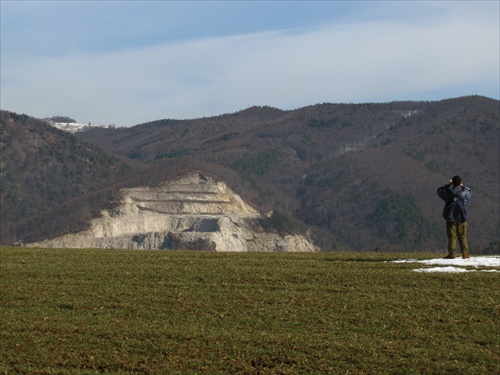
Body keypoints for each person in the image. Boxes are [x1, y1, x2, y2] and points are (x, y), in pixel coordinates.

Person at [437, 175, 472, 259]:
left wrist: (448, 185)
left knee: (452, 235)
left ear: (452, 182)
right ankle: (465, 253)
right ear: (460, 183)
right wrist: (462, 186)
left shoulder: (448, 191)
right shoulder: (464, 192)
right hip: (461, 214)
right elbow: (470, 192)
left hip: (450, 214)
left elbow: (439, 191)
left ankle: (451, 253)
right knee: (462, 234)